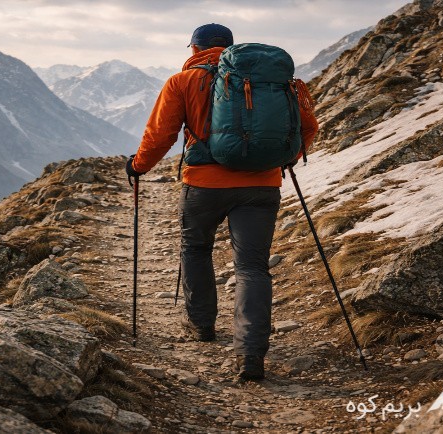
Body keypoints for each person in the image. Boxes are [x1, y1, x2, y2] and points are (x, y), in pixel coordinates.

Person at [125, 23, 319, 382]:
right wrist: (281, 160)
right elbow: (307, 128)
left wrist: (137, 167)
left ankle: (201, 324)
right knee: (252, 267)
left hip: (204, 185)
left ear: (194, 49)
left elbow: (160, 135)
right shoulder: (270, 81)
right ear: (230, 47)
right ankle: (250, 354)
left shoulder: (182, 82)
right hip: (261, 186)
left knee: (196, 247)